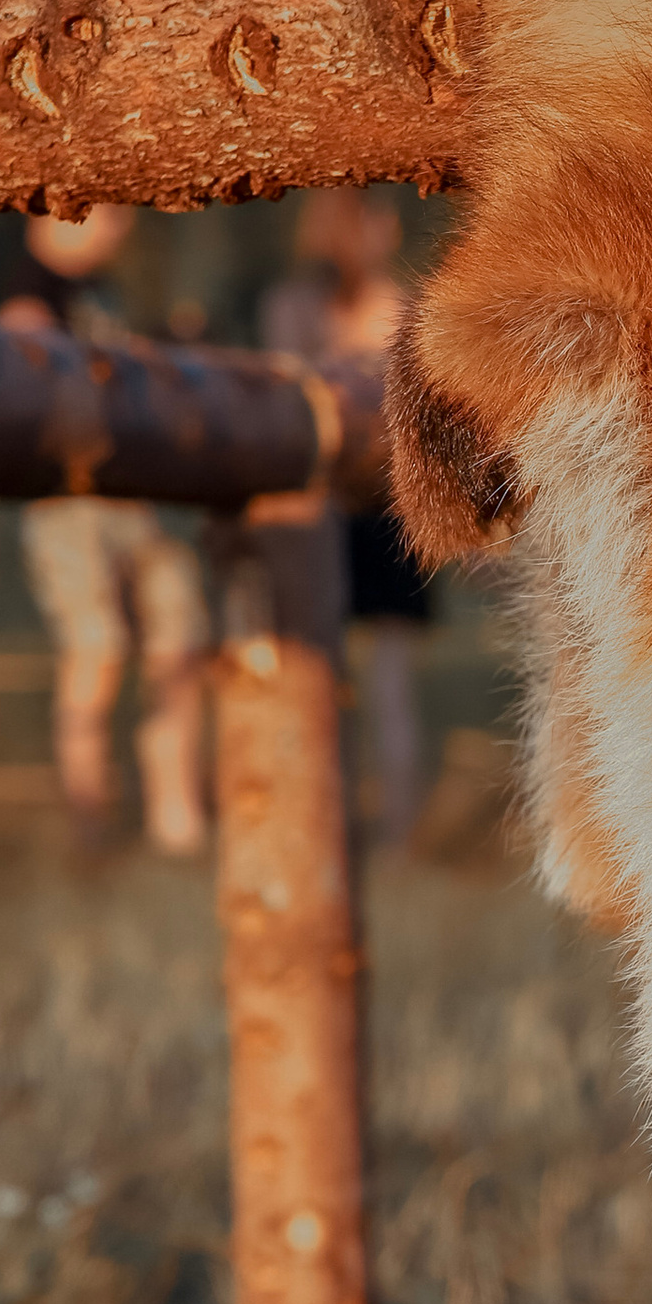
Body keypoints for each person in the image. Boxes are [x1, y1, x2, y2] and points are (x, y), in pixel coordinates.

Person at [1, 209, 211, 855]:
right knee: (98, 655)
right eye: (102, 207)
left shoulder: (112, 288)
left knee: (176, 651)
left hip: (140, 500)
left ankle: (178, 825)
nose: (120, 219)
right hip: (68, 506)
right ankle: (88, 830)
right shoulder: (27, 296)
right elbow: (38, 391)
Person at [262, 189, 435, 843]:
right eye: (377, 214)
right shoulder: (310, 305)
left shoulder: (394, 302)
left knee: (381, 683)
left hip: (383, 507)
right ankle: (339, 823)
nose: (390, 226)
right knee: (325, 674)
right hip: (326, 510)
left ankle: (395, 831)